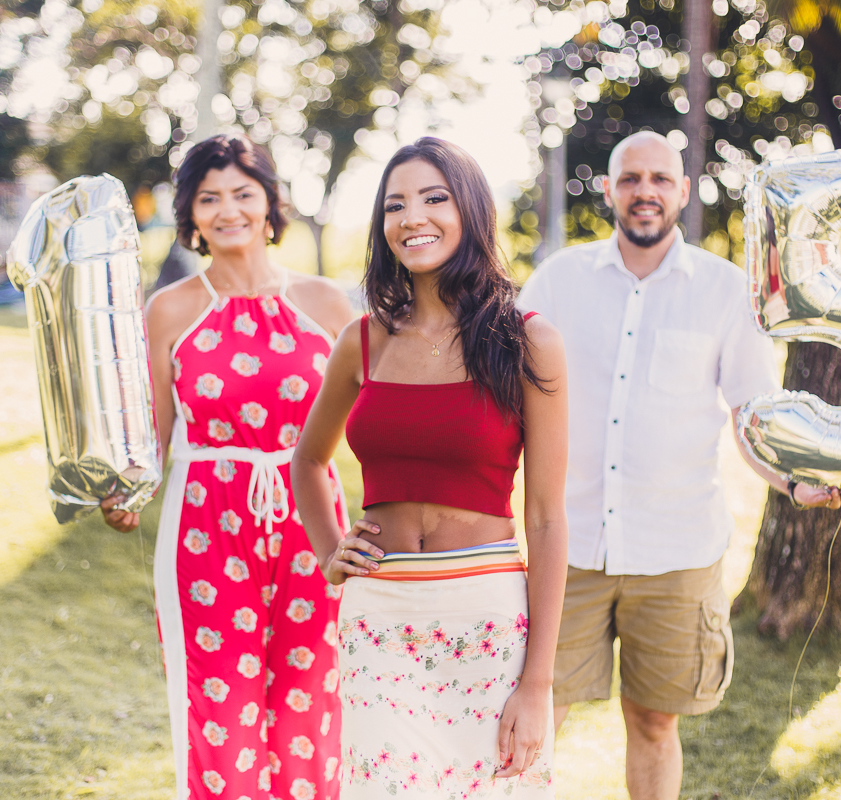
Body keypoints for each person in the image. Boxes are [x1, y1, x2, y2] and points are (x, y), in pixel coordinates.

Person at [516, 131, 841, 800]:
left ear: (681, 190)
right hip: (571, 549)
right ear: (612, 190)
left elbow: (750, 413)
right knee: (542, 720)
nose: (644, 190)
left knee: (652, 722)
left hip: (677, 553)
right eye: (630, 178)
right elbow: (500, 381)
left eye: (659, 179)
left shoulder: (724, 289)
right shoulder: (559, 280)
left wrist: (794, 480)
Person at [290, 137, 569, 799]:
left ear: (470, 210)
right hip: (379, 616)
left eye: (434, 198)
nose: (413, 216)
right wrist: (331, 553)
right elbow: (306, 460)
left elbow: (551, 518)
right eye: (395, 205)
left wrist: (538, 683)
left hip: (488, 620)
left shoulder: (529, 341)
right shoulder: (363, 340)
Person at [100, 134, 354, 800]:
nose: (228, 209)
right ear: (191, 215)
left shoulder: (327, 305)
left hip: (314, 526)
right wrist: (125, 489)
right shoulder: (171, 310)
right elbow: (151, 432)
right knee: (222, 712)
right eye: (209, 198)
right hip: (207, 529)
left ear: (270, 203)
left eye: (243, 193)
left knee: (311, 707)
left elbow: (372, 427)